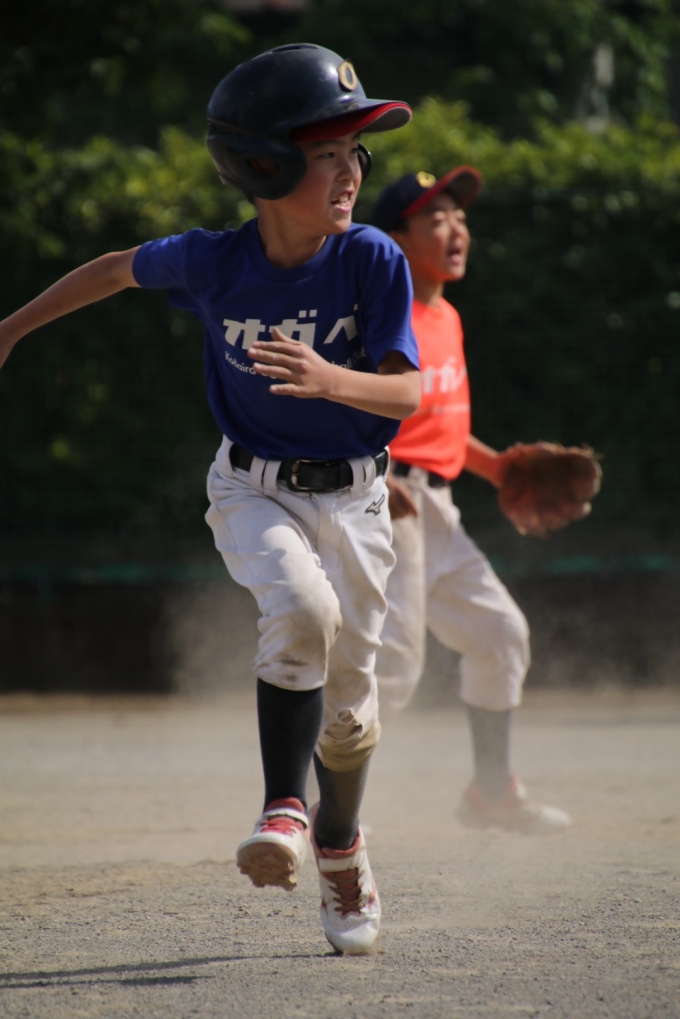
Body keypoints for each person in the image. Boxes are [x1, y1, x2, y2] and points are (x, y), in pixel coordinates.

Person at [0, 44, 420, 953]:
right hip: (252, 488)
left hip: (356, 503)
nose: (351, 171)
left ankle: (342, 842)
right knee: (299, 609)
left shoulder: (372, 259)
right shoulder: (213, 262)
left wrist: (330, 378)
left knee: (352, 714)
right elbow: (114, 269)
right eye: (327, 153)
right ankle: (284, 809)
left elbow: (406, 394)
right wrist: (10, 330)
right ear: (262, 166)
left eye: (356, 152)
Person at [370, 169, 571, 834]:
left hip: (438, 509)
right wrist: (370, 471)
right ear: (395, 239)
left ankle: (491, 792)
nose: (456, 229)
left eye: (459, 216)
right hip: (386, 504)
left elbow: (439, 432)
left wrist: (497, 467)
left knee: (499, 635)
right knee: (394, 669)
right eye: (436, 218)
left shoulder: (446, 317)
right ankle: (312, 805)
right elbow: (340, 401)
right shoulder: (380, 312)